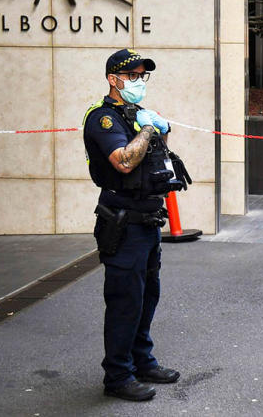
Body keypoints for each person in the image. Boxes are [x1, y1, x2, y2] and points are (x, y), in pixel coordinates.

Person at [82, 49, 181, 401]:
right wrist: (150, 128)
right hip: (123, 221)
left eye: (143, 76)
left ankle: (142, 360)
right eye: (133, 76)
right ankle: (118, 376)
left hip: (148, 218)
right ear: (114, 79)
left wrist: (158, 130)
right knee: (125, 299)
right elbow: (124, 161)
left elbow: (157, 157)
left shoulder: (136, 114)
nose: (139, 82)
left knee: (147, 295)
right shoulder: (104, 119)